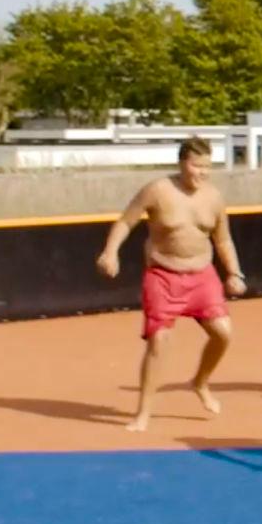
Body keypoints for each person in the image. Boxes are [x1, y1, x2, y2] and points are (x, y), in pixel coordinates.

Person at [96, 137, 245, 431]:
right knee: (160, 342)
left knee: (223, 334)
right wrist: (110, 252)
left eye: (206, 167)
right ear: (181, 162)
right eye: (195, 165)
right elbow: (126, 221)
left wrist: (234, 273)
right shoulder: (157, 190)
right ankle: (143, 414)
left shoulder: (213, 197)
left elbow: (223, 239)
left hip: (202, 275)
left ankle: (200, 382)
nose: (200, 173)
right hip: (163, 275)